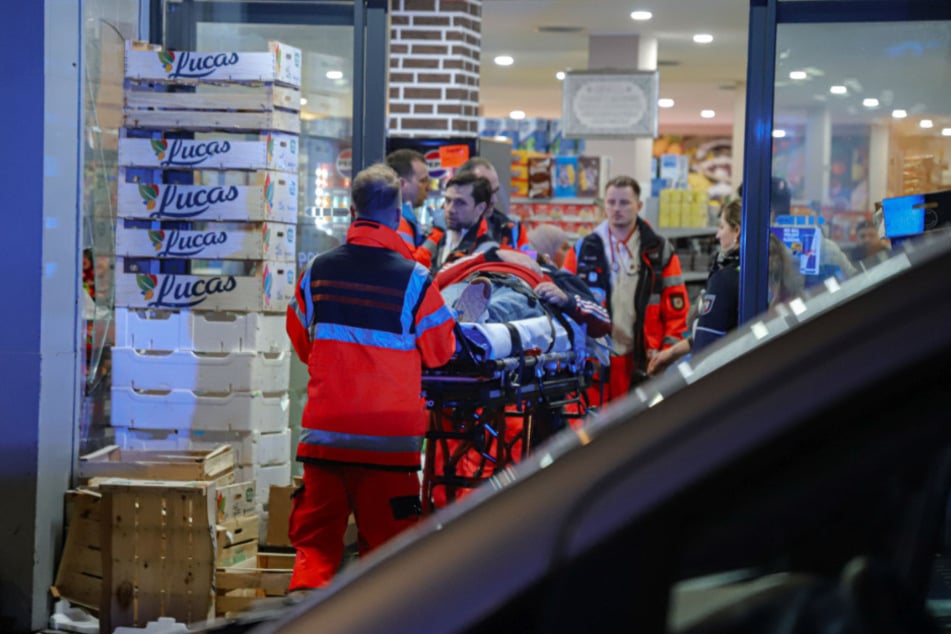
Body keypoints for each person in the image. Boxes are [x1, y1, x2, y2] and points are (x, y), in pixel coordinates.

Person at [285, 163, 457, 590]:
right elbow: (441, 352)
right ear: (398, 213)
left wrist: (333, 374)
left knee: (315, 552)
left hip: (326, 437)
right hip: (388, 444)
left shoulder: (317, 271)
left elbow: (298, 333)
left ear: (350, 209)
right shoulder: (415, 280)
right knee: (386, 561)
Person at [564, 175, 689, 400]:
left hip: (643, 359)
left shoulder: (659, 250)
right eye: (611, 202)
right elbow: (564, 301)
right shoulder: (583, 249)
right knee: (595, 431)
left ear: (638, 206)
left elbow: (677, 313)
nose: (616, 209)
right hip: (596, 361)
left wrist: (666, 353)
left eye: (624, 202)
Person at [647, 200, 742, 375]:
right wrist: (672, 353)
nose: (717, 235)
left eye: (722, 227)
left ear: (737, 231)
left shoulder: (725, 279)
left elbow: (706, 345)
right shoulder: (751, 270)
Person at [385, 149, 444, 267]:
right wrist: (438, 233)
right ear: (402, 184)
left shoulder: (394, 214)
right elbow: (411, 267)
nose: (428, 188)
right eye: (423, 181)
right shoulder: (397, 220)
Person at [431, 171, 499, 272]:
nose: (450, 209)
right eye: (448, 200)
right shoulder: (437, 236)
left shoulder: (487, 251)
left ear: (480, 208)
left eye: (460, 203)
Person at [458, 157, 527, 249]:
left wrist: (539, 259)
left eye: (495, 191)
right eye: (486, 193)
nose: (494, 200)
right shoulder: (441, 228)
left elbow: (527, 254)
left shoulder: (512, 228)